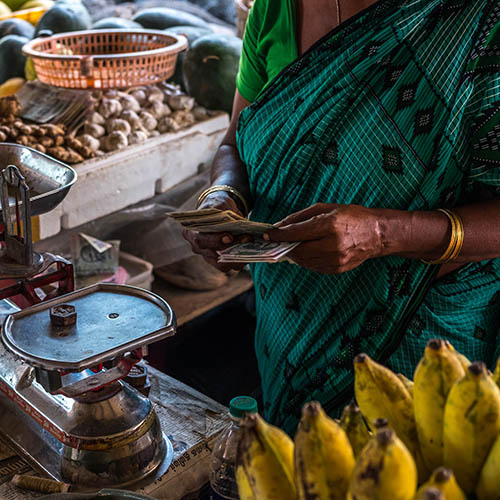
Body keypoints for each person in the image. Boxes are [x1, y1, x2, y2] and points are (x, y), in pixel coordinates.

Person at [184, 0, 500, 434]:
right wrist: (223, 198)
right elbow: (234, 142)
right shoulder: (275, 10)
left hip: (420, 337)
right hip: (290, 326)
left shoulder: (477, 22)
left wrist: (382, 234)